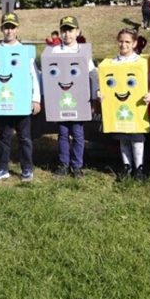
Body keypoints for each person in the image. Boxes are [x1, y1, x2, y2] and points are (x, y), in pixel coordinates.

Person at [0, 12, 41, 182]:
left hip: (22, 102)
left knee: (24, 137)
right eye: (6, 27)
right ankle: (3, 168)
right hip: (3, 102)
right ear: (2, 29)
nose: (9, 31)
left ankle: (27, 168)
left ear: (17, 29)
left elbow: (34, 76)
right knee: (4, 137)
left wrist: (36, 99)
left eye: (12, 27)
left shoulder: (25, 51)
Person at [49, 16, 95, 178]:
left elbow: (92, 75)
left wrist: (93, 98)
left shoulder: (83, 51)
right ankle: (63, 164)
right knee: (62, 133)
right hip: (61, 101)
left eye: (70, 30)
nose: (67, 34)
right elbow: (49, 77)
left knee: (77, 133)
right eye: (64, 30)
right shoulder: (54, 51)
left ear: (77, 32)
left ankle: (77, 166)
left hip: (79, 101)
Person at [112, 28, 150, 181]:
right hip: (120, 106)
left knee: (137, 137)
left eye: (127, 42)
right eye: (121, 41)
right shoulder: (113, 62)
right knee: (124, 137)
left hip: (137, 105)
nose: (124, 45)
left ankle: (139, 167)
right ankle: (126, 166)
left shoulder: (141, 62)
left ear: (134, 43)